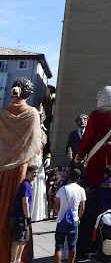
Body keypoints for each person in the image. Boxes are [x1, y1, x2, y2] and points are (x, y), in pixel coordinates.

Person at [0, 78, 41, 263]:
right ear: (29, 94)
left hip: (1, 166)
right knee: (18, 210)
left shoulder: (3, 112)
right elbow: (35, 143)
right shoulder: (32, 113)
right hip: (20, 168)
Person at [75, 86, 111, 190]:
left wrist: (80, 155)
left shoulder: (94, 115)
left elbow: (88, 137)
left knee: (95, 184)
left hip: (98, 154)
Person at [53, 168, 86, 263]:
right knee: (73, 246)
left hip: (61, 220)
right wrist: (79, 218)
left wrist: (58, 213)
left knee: (59, 246)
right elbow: (82, 207)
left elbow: (56, 202)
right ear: (78, 179)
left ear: (69, 178)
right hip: (74, 220)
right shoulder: (81, 190)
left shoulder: (62, 189)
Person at [10, 165, 38, 263]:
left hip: (22, 216)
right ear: (28, 172)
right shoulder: (25, 185)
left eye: (37, 173)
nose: (35, 174)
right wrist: (28, 217)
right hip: (20, 216)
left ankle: (18, 260)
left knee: (23, 240)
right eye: (34, 172)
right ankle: (13, 261)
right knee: (17, 240)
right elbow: (25, 202)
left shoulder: (28, 185)